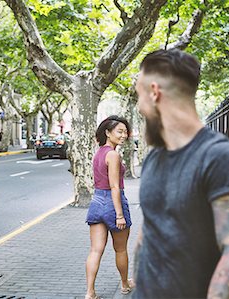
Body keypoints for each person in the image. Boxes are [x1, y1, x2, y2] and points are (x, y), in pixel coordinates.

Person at [132, 49, 229, 298]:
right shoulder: (153, 157)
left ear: (154, 92)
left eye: (139, 95)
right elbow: (148, 232)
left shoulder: (219, 157)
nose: (138, 107)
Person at [85, 115, 135, 299]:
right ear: (107, 132)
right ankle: (124, 285)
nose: (124, 135)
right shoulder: (112, 154)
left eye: (125, 132)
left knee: (95, 250)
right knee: (120, 249)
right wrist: (119, 215)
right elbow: (114, 186)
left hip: (96, 202)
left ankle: (90, 292)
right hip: (113, 203)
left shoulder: (99, 153)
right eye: (119, 131)